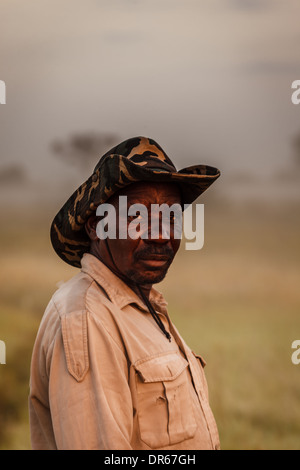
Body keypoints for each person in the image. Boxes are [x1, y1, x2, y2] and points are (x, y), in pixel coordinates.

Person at [29, 136, 221, 450]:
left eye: (171, 217)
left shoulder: (137, 304)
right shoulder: (89, 319)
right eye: (136, 218)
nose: (161, 234)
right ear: (96, 226)